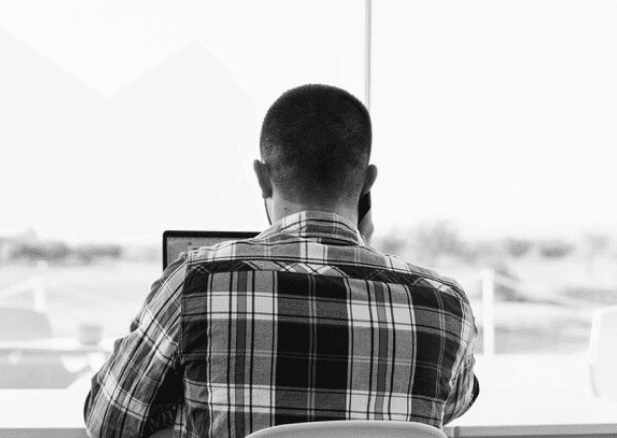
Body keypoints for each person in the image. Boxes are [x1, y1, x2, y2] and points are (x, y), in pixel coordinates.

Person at [84, 84, 479, 438]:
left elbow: (110, 422)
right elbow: (449, 404)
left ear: (262, 178)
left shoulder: (195, 281)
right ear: (368, 181)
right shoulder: (445, 302)